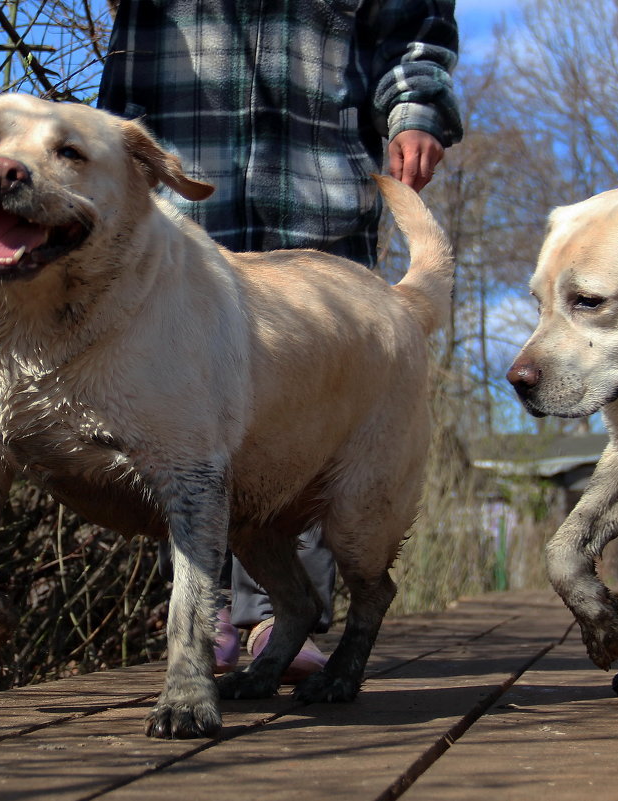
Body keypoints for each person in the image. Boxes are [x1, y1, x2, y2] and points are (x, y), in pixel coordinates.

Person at [98, 0, 463, 680]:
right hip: (178, 206)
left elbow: (415, 28)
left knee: (314, 418)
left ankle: (277, 618)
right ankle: (202, 615)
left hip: (316, 201)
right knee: (174, 415)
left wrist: (415, 112)